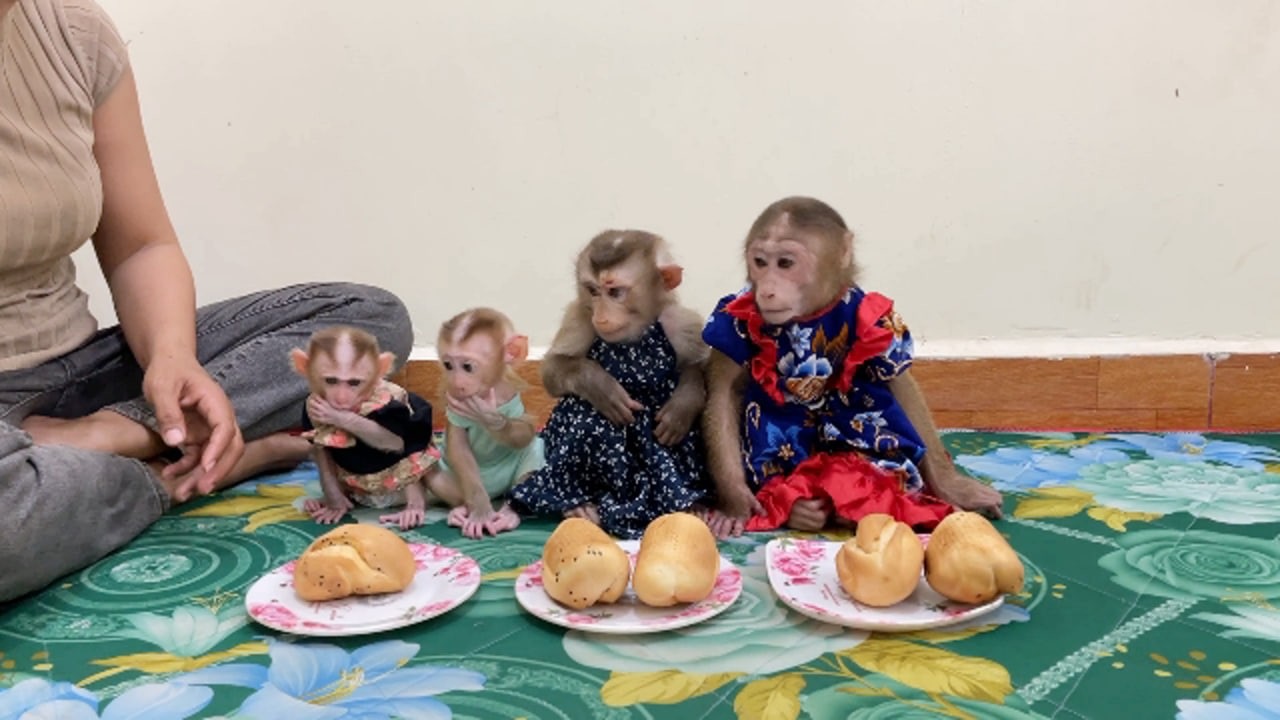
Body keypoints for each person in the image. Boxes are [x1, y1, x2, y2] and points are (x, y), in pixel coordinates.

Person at [0, 0, 412, 602]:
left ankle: (126, 440)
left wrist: (170, 364)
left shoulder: (74, 31)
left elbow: (141, 247)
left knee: (368, 318)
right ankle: (185, 473)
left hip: (87, 372)